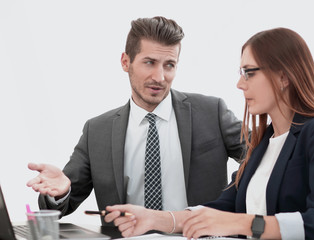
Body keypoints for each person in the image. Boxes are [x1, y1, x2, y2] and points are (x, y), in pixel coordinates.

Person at [104, 27, 314, 239]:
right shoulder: (264, 142)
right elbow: (225, 206)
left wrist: (242, 223)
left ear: (283, 76)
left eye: (249, 72)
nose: (240, 84)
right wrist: (154, 219)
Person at [26, 16, 246, 225]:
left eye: (169, 64)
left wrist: (232, 196)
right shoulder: (97, 131)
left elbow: (263, 155)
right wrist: (61, 192)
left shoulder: (211, 112)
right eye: (149, 62)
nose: (160, 77)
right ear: (125, 62)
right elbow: (60, 206)